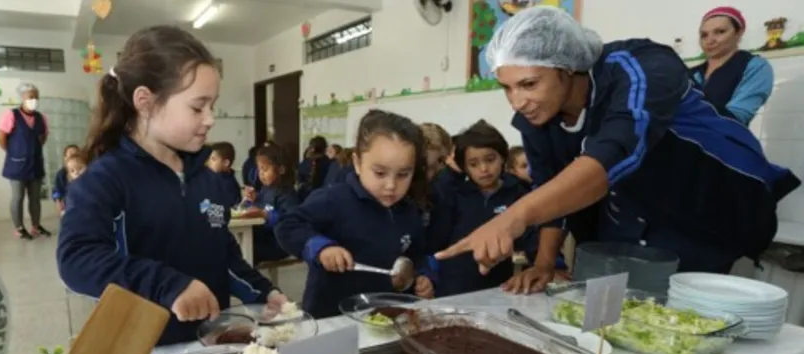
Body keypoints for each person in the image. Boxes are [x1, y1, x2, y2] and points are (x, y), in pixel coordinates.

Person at [436, 6, 799, 290]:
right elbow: (551, 192)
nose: (518, 101)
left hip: (710, 203)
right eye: (507, 87)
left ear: (569, 68)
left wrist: (510, 218)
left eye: (529, 83)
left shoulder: (639, 68)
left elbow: (611, 157)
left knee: (686, 319)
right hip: (634, 211)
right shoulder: (537, 121)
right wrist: (544, 263)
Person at [56, 25, 286, 346]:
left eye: (212, 106)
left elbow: (223, 254)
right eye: (197, 107)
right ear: (145, 102)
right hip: (140, 352)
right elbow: (76, 260)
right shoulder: (104, 180)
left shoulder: (207, 179)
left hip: (212, 343)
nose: (210, 119)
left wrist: (264, 292)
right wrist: (168, 285)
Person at [276, 110, 435, 319]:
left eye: (403, 174)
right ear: (358, 163)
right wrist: (320, 247)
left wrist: (423, 276)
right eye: (380, 173)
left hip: (386, 319)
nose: (391, 185)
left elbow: (416, 255)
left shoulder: (409, 211)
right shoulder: (334, 199)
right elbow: (287, 226)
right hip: (330, 319)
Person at [428, 121, 532, 296]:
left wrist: (550, 264)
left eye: (490, 159)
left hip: (499, 288)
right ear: (464, 167)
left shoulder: (517, 191)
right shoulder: (454, 193)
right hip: (453, 289)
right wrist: (451, 173)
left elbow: (532, 235)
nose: (484, 169)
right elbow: (436, 238)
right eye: (473, 164)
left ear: (503, 157)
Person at [690, 7, 774, 125]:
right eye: (704, 35)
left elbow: (737, 116)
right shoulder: (692, 73)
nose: (710, 40)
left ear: (739, 32)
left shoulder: (754, 66)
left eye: (720, 32)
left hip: (725, 141)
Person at [0, 82, 52, 240]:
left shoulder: (41, 117)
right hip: (16, 164)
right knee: (18, 197)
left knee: (35, 197)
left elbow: (43, 136)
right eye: (30, 97)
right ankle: (19, 228)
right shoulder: (11, 115)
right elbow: (0, 135)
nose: (34, 100)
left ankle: (36, 226)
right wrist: (12, 151)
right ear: (22, 98)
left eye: (36, 97)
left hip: (35, 162)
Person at [238, 143, 299, 262]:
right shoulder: (265, 189)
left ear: (281, 170)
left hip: (278, 243)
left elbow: (292, 221)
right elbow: (257, 209)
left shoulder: (287, 193)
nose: (261, 173)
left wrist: (266, 215)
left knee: (242, 252)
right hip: (262, 237)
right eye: (259, 169)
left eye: (265, 169)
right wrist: (251, 201)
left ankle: (250, 278)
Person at [206, 141, 241, 208]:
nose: (209, 162)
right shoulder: (214, 176)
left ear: (225, 163)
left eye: (213, 159)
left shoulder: (228, 182)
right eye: (209, 158)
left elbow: (231, 205)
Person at [297, 135, 331, 200]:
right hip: (322, 197)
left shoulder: (305, 163)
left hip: (304, 196)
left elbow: (299, 179)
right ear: (325, 148)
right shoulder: (330, 164)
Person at [52, 144, 80, 215]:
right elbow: (56, 191)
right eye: (70, 154)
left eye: (75, 155)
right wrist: (57, 200)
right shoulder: (61, 174)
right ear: (65, 158)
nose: (73, 157)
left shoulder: (86, 171)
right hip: (67, 204)